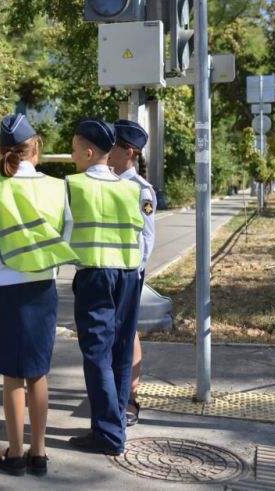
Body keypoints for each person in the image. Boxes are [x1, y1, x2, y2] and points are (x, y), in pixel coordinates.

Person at [0, 113, 78, 477]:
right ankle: (40, 452)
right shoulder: (57, 186)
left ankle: (15, 454)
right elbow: (66, 234)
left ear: (4, 152)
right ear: (36, 148)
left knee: (12, 377)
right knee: (38, 373)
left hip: (6, 289)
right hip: (42, 288)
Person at [66, 119, 146, 456]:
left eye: (73, 150)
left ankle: (109, 434)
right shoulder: (132, 187)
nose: (70, 157)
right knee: (121, 352)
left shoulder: (73, 185)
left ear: (87, 152)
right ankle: (114, 426)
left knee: (97, 354)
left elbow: (63, 233)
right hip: (128, 275)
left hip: (95, 275)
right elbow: (142, 236)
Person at [107, 119, 157, 428]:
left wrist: (135, 273)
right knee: (115, 331)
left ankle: (129, 396)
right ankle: (115, 390)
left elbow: (147, 238)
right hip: (109, 269)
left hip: (128, 273)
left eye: (112, 146)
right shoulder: (108, 181)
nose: (107, 151)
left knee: (127, 332)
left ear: (129, 152)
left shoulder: (141, 190)